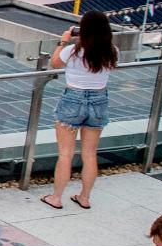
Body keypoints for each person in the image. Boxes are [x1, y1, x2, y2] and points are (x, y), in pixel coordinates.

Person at [41, 11, 118, 210]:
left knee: (65, 154)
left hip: (73, 98)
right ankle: (84, 197)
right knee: (90, 154)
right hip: (99, 100)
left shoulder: (73, 51)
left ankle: (56, 198)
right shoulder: (112, 51)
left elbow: (54, 63)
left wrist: (63, 41)